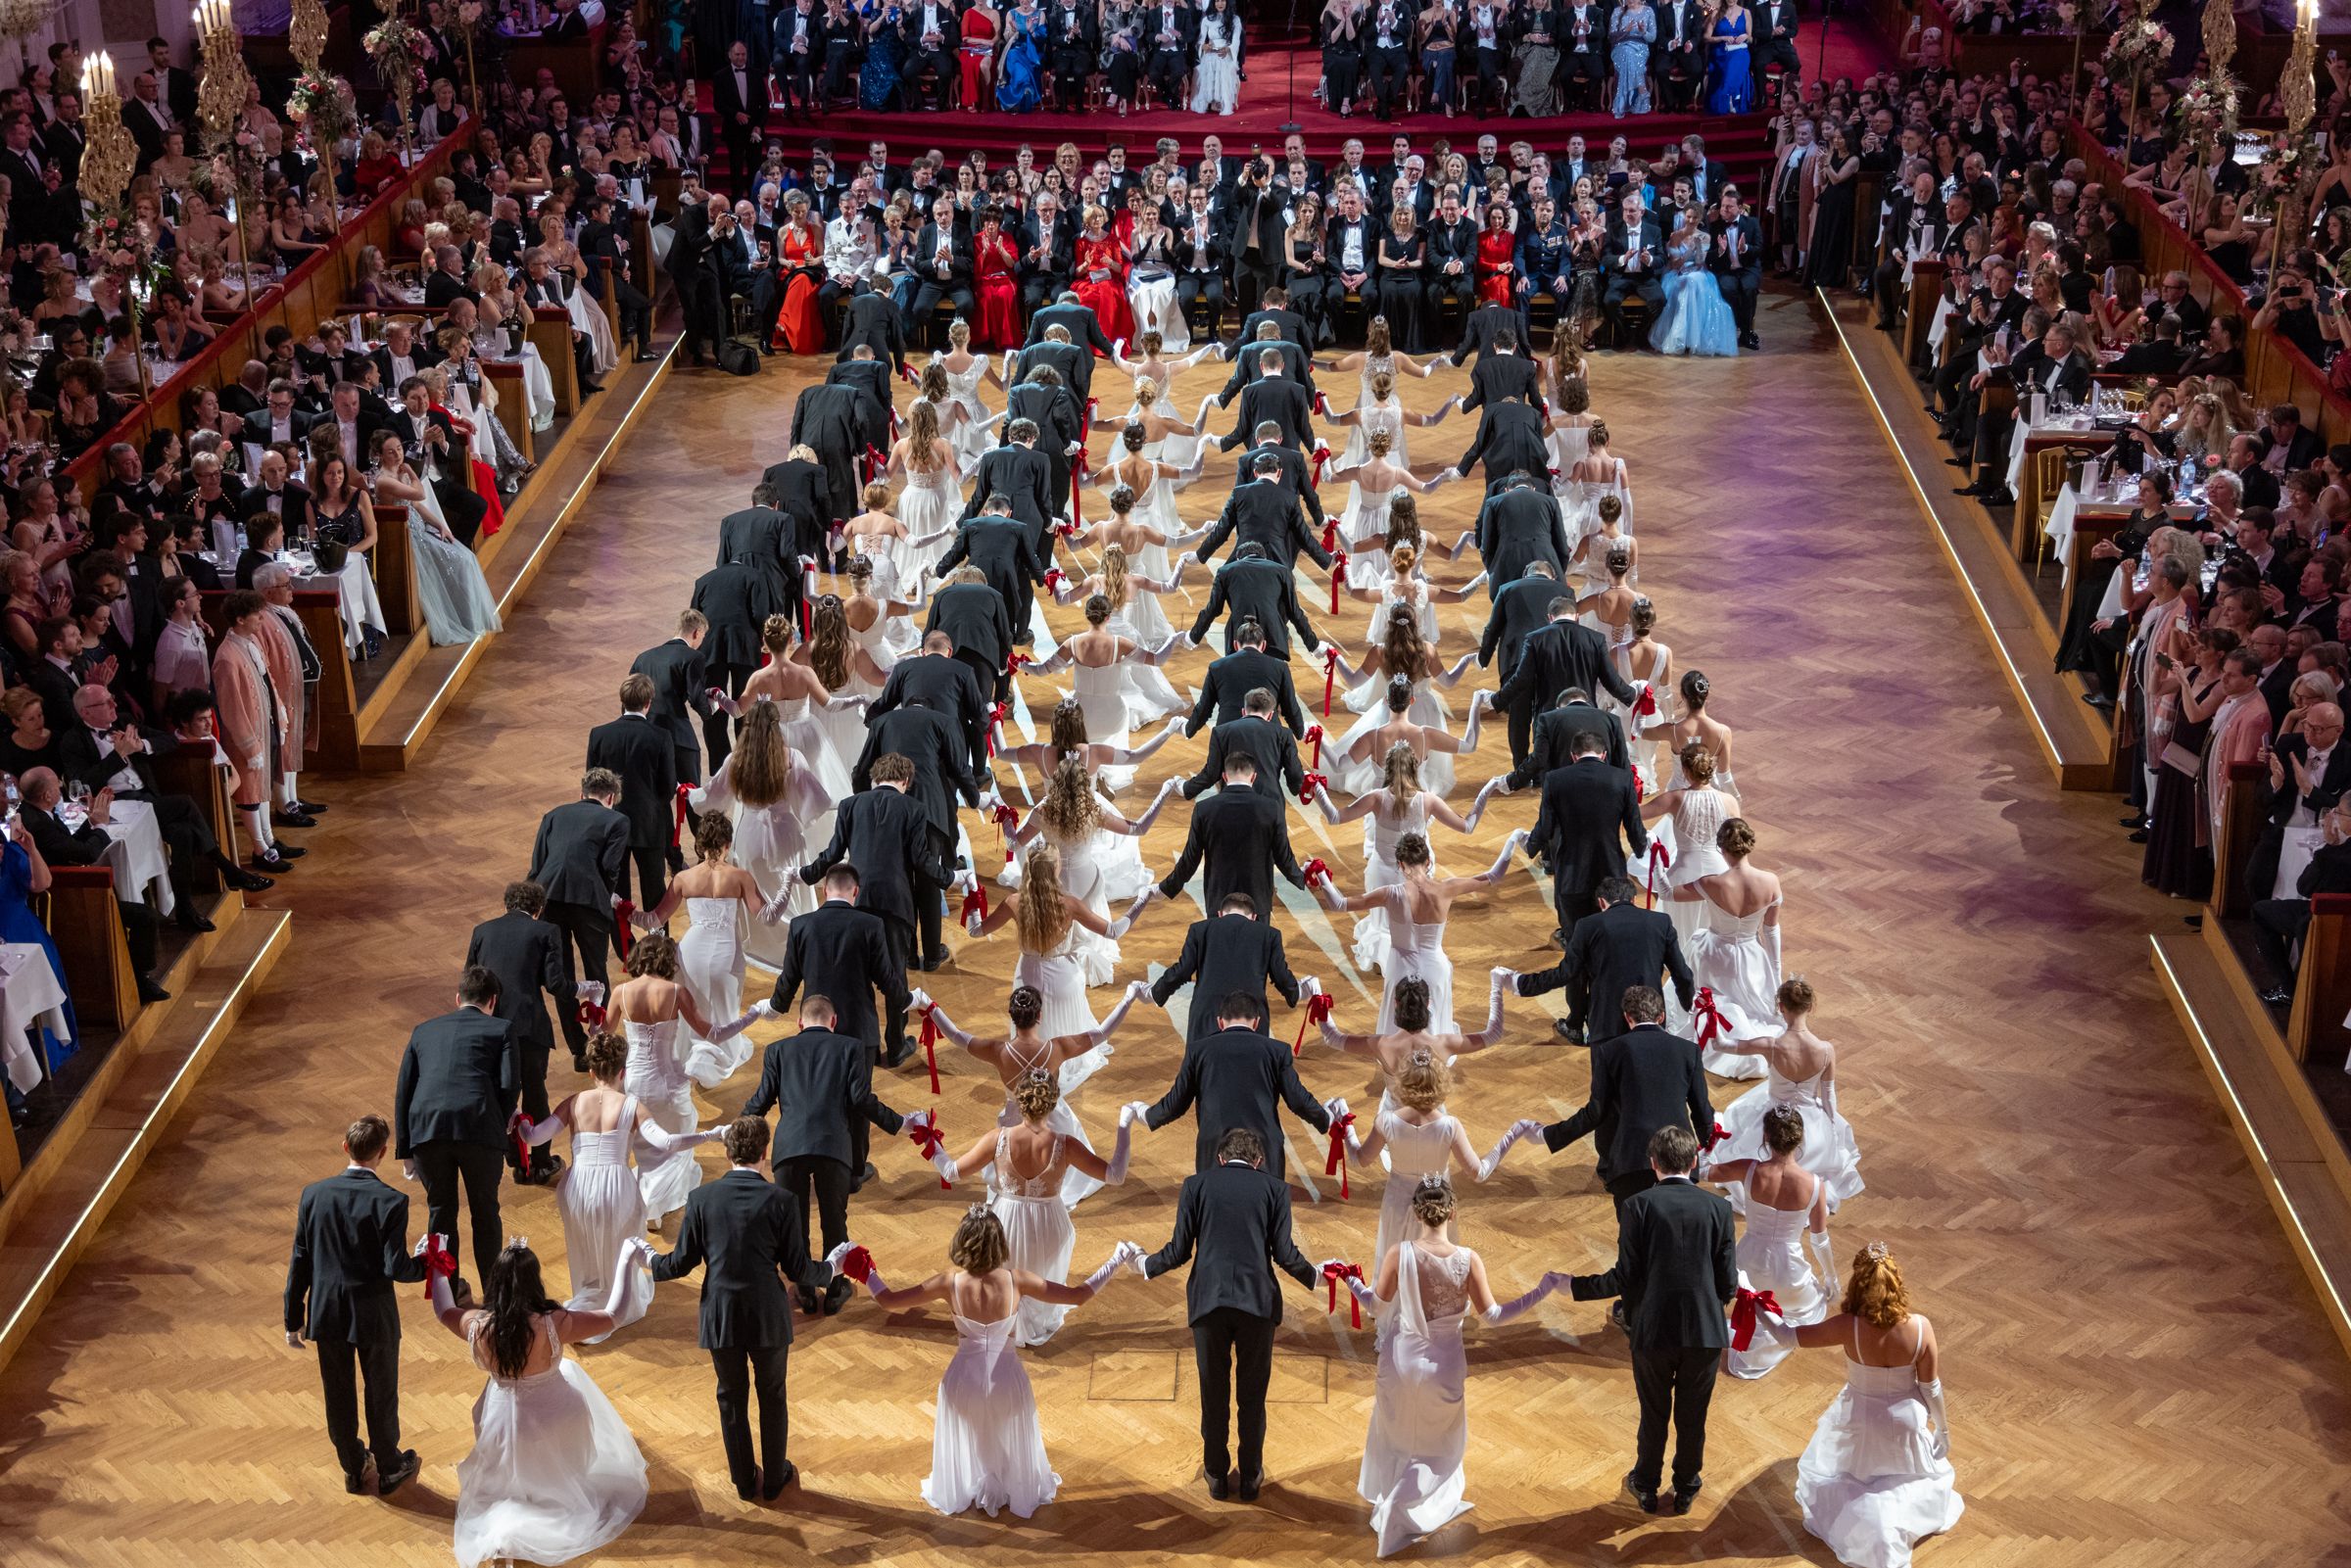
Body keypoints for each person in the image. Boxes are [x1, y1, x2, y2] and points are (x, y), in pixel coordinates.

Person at [847, 1205, 1125, 1517]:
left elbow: (888, 1301)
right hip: (1006, 1379)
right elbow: (1078, 1295)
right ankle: (1005, 1484)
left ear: (961, 1241)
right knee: (1002, 1433)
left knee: (978, 1435)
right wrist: (1115, 1260)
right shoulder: (1017, 1280)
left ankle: (979, 1481)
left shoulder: (948, 1282)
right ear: (999, 1244)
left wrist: (865, 1271)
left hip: (963, 1382)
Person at [1349, 1173, 1562, 1556]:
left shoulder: (1399, 1253)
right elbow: (1494, 1316)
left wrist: (1352, 1282)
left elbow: (1375, 1307)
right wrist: (1541, 1290)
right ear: (1453, 1212)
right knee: (1439, 1447)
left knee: (1398, 1435)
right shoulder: (1468, 1260)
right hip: (1444, 1366)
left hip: (1400, 1362)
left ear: (1416, 1213)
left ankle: (1394, 1497)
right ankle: (1401, 1507)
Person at [646, 1117, 844, 1500]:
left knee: (730, 1397)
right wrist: (833, 1268)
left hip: (721, 1315)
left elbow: (680, 1264)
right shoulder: (782, 1201)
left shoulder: (702, 1199)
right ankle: (775, 1479)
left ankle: (743, 1481)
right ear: (765, 1153)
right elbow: (798, 1270)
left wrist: (649, 1260)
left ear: (728, 1153)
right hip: (768, 1316)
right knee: (772, 1394)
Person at [1122, 1125, 1321, 1502]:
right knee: (1252, 1396)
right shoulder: (1275, 1189)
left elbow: (1179, 1250)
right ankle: (1250, 1477)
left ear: (1220, 1158)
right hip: (1257, 1306)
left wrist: (1145, 1264)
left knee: (1213, 1393)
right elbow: (1285, 1253)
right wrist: (1315, 1276)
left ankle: (1215, 1474)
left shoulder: (1196, 1186)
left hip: (1208, 1304)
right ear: (1259, 1161)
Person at [430, 1240, 648, 1568]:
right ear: (535, 1281)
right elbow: (614, 1315)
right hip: (554, 1416)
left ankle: (514, 1516)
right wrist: (626, 1260)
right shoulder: (552, 1323)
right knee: (572, 1373)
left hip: (502, 1420)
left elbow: (443, 1310)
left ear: (495, 1282)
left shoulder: (478, 1325)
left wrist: (436, 1264)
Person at [512, 1028, 726, 1339]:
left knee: (585, 1242)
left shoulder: (573, 1102)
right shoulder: (632, 1105)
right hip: (616, 1187)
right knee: (621, 1245)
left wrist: (517, 1115)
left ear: (591, 1071)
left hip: (577, 1188)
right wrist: (710, 1135)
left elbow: (533, 1137)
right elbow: (666, 1142)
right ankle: (614, 1302)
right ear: (622, 1072)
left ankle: (591, 1293)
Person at [1567, 1124, 1737, 1516]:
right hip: (1705, 1332)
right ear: (1693, 1162)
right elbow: (1727, 1281)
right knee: (1693, 1416)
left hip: (1653, 1331)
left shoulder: (1637, 1206)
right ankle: (1686, 1486)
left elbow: (1626, 1276)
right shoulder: (1719, 1209)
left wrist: (1577, 1287)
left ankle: (1645, 1484)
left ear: (1653, 1163)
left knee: (1653, 1413)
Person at [924, 1067, 1136, 1344]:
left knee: (1007, 1278)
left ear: (1019, 1100)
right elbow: (1116, 1175)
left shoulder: (997, 1139)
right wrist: (1124, 1125)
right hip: (1049, 1226)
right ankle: (1034, 1323)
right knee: (1039, 1282)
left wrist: (927, 1137)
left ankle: (1003, 1318)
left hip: (1006, 1224)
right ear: (1053, 1103)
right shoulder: (1066, 1145)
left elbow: (951, 1171)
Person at [739, 992, 914, 1312]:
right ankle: (835, 1290)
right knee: (835, 1221)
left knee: (794, 1223)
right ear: (834, 1021)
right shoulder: (851, 1047)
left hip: (789, 1149)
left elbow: (759, 1102)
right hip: (833, 1148)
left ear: (799, 1022)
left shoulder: (777, 1050)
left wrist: (734, 1134)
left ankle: (805, 1289)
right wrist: (900, 1124)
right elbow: (862, 1101)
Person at [1789, 1244, 1964, 1566]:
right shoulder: (1921, 1327)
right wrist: (1943, 1428)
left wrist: (1756, 1305)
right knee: (1903, 1478)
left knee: (1856, 1478)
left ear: (1857, 1283)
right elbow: (1931, 1387)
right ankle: (1896, 1518)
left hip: (1861, 1418)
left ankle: (1873, 1527)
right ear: (1896, 1281)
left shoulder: (1848, 1326)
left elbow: (1789, 1336)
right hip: (1907, 1420)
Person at [283, 1113, 428, 1497]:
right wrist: (426, 1265)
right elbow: (396, 1267)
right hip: (373, 1313)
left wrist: (293, 1318)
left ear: (345, 1147)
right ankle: (390, 1467)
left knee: (338, 1394)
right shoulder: (392, 1201)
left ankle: (352, 1465)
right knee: (381, 1392)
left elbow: (300, 1260)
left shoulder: (313, 1194)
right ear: (383, 1152)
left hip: (327, 1312)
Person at [393, 965, 518, 1290]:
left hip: (428, 1131)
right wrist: (500, 1123)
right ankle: (493, 1292)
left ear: (458, 998)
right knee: (485, 1212)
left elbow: (404, 1091)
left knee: (440, 1212)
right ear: (493, 1001)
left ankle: (446, 1291)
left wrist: (405, 1149)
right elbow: (509, 1085)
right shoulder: (502, 1029)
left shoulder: (422, 1030)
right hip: (480, 1129)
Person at [1700, 1103, 1833, 1379]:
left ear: (1766, 1137)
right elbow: (1820, 1240)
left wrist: (1710, 1145)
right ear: (1799, 1139)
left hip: (1748, 1265)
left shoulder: (1748, 1169)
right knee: (1814, 1304)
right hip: (1789, 1272)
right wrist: (1832, 1278)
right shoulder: (1814, 1185)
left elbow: (1701, 1172)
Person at [1653, 211, 1739, 357]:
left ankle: (1692, 340)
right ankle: (1680, 338)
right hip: (1677, 273)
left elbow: (1700, 263)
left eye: (1694, 218)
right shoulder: (1675, 236)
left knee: (1694, 280)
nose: (1691, 221)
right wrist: (1689, 250)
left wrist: (1698, 247)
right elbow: (1675, 265)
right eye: (1688, 217)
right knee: (1688, 282)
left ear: (1699, 220)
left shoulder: (1704, 237)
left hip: (1698, 272)